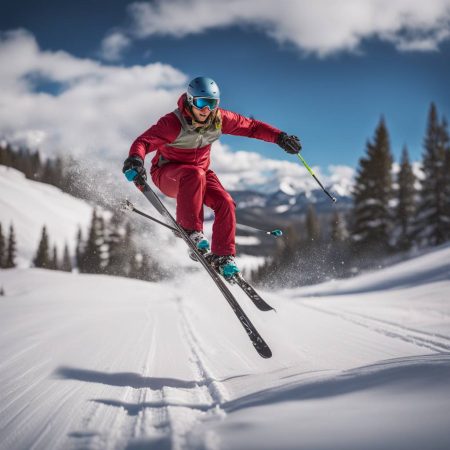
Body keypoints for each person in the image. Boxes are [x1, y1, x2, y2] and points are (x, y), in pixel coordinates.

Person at [123, 76, 301, 279]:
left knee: (225, 202)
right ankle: (191, 230)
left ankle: (224, 256)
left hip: (199, 175)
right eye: (201, 102)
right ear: (191, 101)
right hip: (168, 174)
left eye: (212, 103)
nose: (206, 110)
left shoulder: (219, 119)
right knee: (194, 173)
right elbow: (144, 142)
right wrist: (135, 160)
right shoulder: (173, 123)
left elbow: (251, 127)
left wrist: (280, 137)